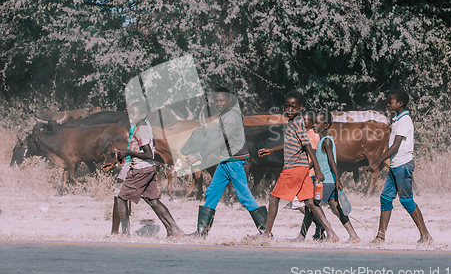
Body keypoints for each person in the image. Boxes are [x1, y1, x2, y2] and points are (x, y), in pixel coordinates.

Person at [254, 90, 338, 241]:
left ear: (301, 107)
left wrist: (318, 169)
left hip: (294, 168)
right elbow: (292, 142)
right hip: (302, 168)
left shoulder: (297, 122)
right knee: (310, 202)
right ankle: (331, 233)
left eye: (294, 106)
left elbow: (307, 146)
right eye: (287, 106)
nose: (290, 110)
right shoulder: (293, 122)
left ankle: (266, 234)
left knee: (274, 198)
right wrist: (271, 149)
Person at [185, 87, 267, 237]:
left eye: (221, 100)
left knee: (244, 196)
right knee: (211, 193)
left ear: (230, 100)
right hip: (226, 161)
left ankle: (265, 231)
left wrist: (199, 155)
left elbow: (221, 139)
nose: (218, 103)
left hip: (234, 162)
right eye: (216, 100)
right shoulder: (226, 115)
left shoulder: (231, 117)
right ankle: (201, 232)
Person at [366, 89, 432, 244]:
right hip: (396, 165)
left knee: (407, 201)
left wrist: (377, 162)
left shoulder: (404, 121)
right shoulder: (397, 119)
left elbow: (395, 146)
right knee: (385, 198)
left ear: (400, 103)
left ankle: (426, 236)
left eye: (391, 102)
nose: (388, 104)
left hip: (402, 165)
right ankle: (380, 237)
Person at [116, 100, 184, 237]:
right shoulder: (143, 125)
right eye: (130, 113)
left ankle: (124, 234)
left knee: (120, 198)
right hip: (148, 169)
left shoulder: (141, 129)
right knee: (153, 201)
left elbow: (149, 154)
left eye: (134, 114)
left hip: (141, 170)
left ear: (142, 114)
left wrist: (129, 153)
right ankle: (174, 230)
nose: (130, 116)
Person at [294, 111, 360, 243]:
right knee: (335, 208)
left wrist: (338, 179)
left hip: (326, 182)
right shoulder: (322, 141)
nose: (314, 125)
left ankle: (330, 233)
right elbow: (318, 159)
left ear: (326, 125)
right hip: (329, 181)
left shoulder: (327, 141)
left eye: (317, 123)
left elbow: (332, 162)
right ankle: (353, 235)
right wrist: (307, 169)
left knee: (310, 204)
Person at [289, 111, 326, 241]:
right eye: (301, 121)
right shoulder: (304, 135)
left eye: (305, 121)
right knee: (307, 206)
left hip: (309, 175)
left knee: (300, 203)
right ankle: (317, 229)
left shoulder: (312, 136)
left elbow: (313, 157)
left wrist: (305, 170)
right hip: (304, 174)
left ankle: (320, 225)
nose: (302, 123)